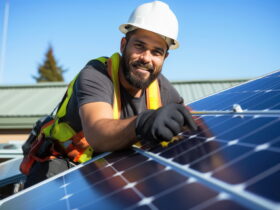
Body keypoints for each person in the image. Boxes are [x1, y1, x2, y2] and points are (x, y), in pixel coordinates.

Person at [21, 1, 197, 188]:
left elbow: (194, 130)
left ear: (164, 58)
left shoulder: (163, 89)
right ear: (123, 45)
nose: (146, 58)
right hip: (62, 165)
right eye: (139, 46)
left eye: (156, 52)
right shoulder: (96, 74)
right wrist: (142, 123)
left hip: (107, 170)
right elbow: (98, 134)